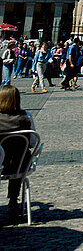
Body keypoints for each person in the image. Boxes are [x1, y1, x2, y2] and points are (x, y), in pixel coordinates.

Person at [0, 87, 35, 225]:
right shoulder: (26, 116)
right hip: (20, 165)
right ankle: (13, 200)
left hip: (1, 164)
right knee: (18, 159)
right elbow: (32, 142)